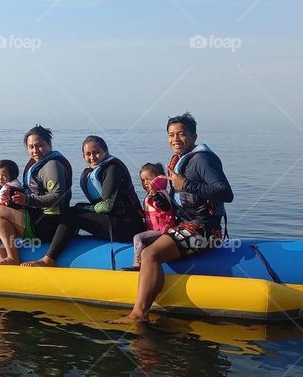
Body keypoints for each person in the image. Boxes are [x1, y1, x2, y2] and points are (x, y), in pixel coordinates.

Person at [124, 112, 234, 321]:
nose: (175, 139)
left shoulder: (202, 159)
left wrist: (185, 184)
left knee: (149, 254)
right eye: (171, 134)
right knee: (143, 243)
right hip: (186, 225)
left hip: (205, 230)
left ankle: (138, 314)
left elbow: (225, 193)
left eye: (181, 134)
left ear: (193, 136)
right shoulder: (180, 161)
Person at [23, 135, 145, 268]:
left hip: (127, 225)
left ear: (106, 151)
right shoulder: (92, 171)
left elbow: (106, 206)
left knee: (72, 213)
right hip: (113, 221)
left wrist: (84, 208)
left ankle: (48, 260)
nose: (92, 158)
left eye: (96, 152)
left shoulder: (113, 168)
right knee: (74, 210)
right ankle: (65, 239)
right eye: (88, 154)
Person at [0, 125, 72, 265]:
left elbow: (57, 197)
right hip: (38, 219)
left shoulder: (52, 165)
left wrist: (26, 200)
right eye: (31, 147)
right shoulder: (39, 164)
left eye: (40, 145)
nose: (35, 151)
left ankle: (12, 258)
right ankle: (5, 262)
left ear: (49, 144)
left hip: (48, 223)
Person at [131, 163, 175, 268]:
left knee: (137, 238)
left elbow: (166, 207)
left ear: (158, 179)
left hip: (162, 231)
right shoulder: (151, 195)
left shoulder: (159, 194)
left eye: (149, 179)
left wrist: (155, 196)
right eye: (143, 180)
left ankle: (138, 263)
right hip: (153, 230)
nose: (146, 183)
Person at [0, 159, 22, 260]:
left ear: (13, 175)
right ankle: (3, 258)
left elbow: (15, 207)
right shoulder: (6, 187)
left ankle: (4, 258)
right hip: (10, 225)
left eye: (4, 175)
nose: (0, 178)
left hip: (13, 226)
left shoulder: (13, 189)